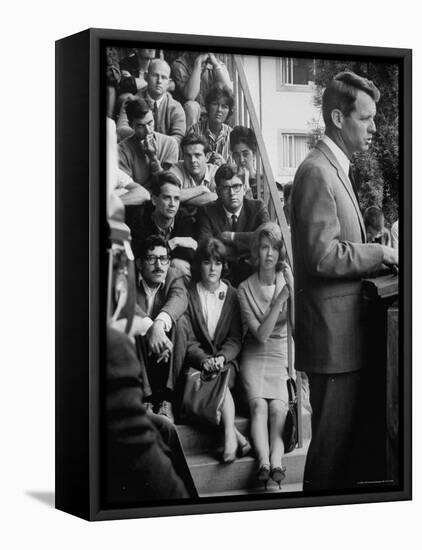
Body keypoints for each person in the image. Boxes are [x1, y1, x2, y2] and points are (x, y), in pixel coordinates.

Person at [290, 71, 398, 492]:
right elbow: (322, 254)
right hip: (334, 346)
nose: (373, 128)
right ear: (338, 117)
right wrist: (381, 254)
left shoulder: (333, 167)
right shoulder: (318, 171)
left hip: (344, 341)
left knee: (345, 462)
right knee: (329, 464)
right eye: (366, 118)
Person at [182, 238, 251, 463]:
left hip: (226, 363)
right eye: (207, 262)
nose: (213, 268)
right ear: (198, 265)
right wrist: (204, 360)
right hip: (198, 366)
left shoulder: (232, 295)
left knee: (221, 379)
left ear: (224, 265)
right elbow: (189, 340)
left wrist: (221, 358)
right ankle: (234, 435)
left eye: (218, 263)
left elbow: (235, 338)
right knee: (211, 381)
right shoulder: (189, 293)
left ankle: (232, 437)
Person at [237, 223, 294, 489]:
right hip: (255, 354)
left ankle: (277, 462)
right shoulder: (244, 289)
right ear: (256, 252)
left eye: (274, 247)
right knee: (259, 406)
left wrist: (290, 287)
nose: (269, 253)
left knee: (278, 408)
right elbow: (259, 335)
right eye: (263, 247)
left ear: (280, 252)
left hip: (282, 351)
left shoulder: (287, 279)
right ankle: (263, 462)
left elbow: (298, 321)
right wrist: (280, 299)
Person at [131, 235, 188, 423]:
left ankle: (167, 401)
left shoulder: (174, 275)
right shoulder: (127, 276)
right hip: (139, 349)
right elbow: (127, 304)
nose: (159, 265)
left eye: (164, 259)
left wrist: (159, 327)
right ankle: (146, 399)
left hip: (167, 350)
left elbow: (179, 299)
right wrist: (151, 330)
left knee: (180, 322)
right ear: (139, 263)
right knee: (134, 324)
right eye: (151, 258)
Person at [195, 163, 270, 286]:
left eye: (236, 186)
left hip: (253, 276)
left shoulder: (257, 207)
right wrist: (249, 248)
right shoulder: (207, 211)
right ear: (218, 191)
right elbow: (206, 247)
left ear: (244, 188)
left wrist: (231, 237)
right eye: (225, 188)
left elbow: (267, 238)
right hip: (221, 277)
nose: (232, 193)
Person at [130, 171, 198, 280]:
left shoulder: (184, 219)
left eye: (176, 198)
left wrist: (161, 253)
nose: (172, 204)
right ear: (154, 200)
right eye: (167, 198)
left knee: (179, 265)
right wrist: (173, 243)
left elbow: (189, 254)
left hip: (174, 279)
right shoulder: (141, 219)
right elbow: (142, 258)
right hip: (146, 279)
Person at [117, 59, 186, 145]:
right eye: (155, 75)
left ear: (168, 83)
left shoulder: (175, 107)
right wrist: (145, 138)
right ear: (146, 77)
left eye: (164, 77)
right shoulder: (132, 101)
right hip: (136, 151)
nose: (159, 81)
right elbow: (121, 129)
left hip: (162, 155)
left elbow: (178, 137)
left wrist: (154, 141)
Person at [171, 52, 232, 127]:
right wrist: (198, 62)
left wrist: (216, 66)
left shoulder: (216, 63)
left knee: (228, 107)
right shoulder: (180, 64)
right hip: (189, 114)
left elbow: (228, 93)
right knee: (192, 106)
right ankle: (191, 138)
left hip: (211, 111)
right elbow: (190, 95)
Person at [169, 133, 218, 209]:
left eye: (197, 155)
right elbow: (169, 195)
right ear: (183, 157)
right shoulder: (176, 169)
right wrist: (201, 189)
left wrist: (182, 202)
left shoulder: (216, 172)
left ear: (207, 157)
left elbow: (217, 198)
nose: (193, 160)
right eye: (188, 156)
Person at [188, 84, 234, 164]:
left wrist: (223, 165)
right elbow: (188, 160)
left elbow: (234, 168)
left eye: (224, 106)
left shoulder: (232, 135)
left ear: (229, 111)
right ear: (208, 106)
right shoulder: (195, 130)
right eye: (215, 104)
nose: (219, 110)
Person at [229, 126, 258, 195]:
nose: (241, 160)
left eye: (245, 154)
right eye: (237, 155)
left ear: (253, 154)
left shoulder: (264, 183)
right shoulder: (230, 181)